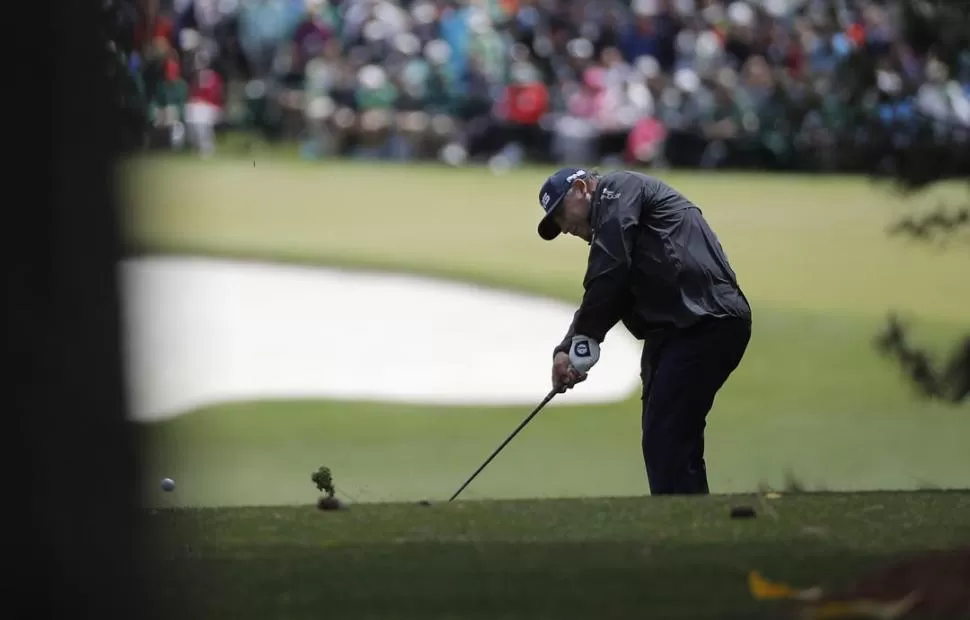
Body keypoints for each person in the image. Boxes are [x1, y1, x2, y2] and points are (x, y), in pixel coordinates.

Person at [536, 167, 752, 495]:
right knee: (663, 439)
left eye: (561, 215)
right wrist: (569, 347)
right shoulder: (615, 235)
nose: (564, 229)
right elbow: (611, 287)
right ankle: (690, 525)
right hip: (674, 330)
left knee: (666, 437)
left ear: (581, 188)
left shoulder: (619, 187)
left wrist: (582, 339)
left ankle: (684, 531)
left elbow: (609, 270)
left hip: (705, 321)